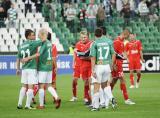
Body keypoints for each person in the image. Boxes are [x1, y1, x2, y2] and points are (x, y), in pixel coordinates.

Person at [22, 29, 61, 109]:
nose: (37, 35)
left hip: (43, 67)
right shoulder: (50, 43)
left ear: (42, 34)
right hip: (49, 66)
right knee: (49, 85)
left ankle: (41, 105)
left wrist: (28, 58)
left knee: (41, 86)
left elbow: (39, 54)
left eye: (39, 34)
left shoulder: (44, 43)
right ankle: (57, 97)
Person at [90, 28, 116, 111]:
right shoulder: (109, 41)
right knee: (105, 85)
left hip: (99, 66)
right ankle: (111, 98)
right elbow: (113, 54)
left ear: (94, 34)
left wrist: (93, 70)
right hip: (107, 66)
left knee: (96, 87)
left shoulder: (94, 43)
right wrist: (111, 64)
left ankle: (95, 107)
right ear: (102, 33)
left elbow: (93, 58)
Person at [16, 29, 42, 109]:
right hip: (31, 68)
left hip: (24, 69)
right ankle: (27, 105)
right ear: (28, 36)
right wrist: (42, 34)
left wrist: (17, 69)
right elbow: (43, 41)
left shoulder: (22, 45)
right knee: (31, 87)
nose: (34, 36)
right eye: (33, 35)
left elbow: (18, 58)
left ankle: (19, 104)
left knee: (24, 86)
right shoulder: (33, 43)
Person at [111, 29, 135, 105]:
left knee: (114, 81)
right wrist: (113, 64)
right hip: (117, 64)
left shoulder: (121, 42)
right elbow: (113, 54)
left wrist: (127, 58)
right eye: (128, 36)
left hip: (119, 63)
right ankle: (126, 99)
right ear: (125, 34)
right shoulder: (117, 42)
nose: (128, 37)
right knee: (122, 79)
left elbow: (123, 52)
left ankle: (107, 95)